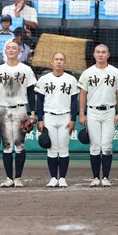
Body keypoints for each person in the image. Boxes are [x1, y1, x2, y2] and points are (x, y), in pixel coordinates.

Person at [0, 41, 37, 188]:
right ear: (5, 51)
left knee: (19, 145)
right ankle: (9, 177)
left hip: (20, 109)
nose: (11, 50)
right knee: (7, 145)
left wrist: (33, 113)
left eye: (14, 48)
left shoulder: (26, 69)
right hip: (4, 109)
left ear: (20, 52)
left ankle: (18, 178)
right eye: (8, 48)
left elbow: (30, 92)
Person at [78, 44, 118, 187]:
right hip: (92, 111)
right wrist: (81, 113)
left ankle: (105, 177)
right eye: (98, 52)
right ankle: (96, 177)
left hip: (110, 111)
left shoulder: (115, 72)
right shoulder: (87, 72)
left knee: (107, 145)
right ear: (94, 54)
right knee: (95, 146)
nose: (101, 55)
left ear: (108, 55)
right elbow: (83, 94)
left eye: (103, 52)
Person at [35, 52, 78, 188]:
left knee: (63, 148)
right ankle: (53, 177)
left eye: (61, 59)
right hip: (49, 116)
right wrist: (40, 119)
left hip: (65, 116)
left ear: (65, 63)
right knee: (52, 149)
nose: (58, 62)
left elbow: (74, 102)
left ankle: (63, 178)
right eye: (56, 59)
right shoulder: (44, 79)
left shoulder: (71, 79)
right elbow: (39, 101)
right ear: (52, 62)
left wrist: (73, 119)